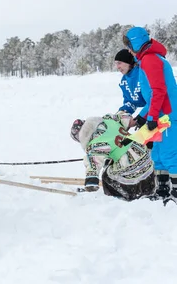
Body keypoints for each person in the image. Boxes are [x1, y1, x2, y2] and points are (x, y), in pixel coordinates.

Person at [124, 26, 177, 204]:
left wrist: (151, 117)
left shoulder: (151, 60)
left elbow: (159, 91)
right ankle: (162, 190)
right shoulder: (147, 59)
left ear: (137, 44)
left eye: (129, 45)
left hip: (167, 116)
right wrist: (142, 117)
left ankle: (175, 192)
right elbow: (151, 96)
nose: (129, 50)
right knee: (158, 155)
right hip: (159, 115)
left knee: (170, 155)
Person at [70, 113, 156, 201]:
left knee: (107, 174)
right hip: (145, 156)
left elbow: (93, 164)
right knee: (123, 163)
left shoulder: (94, 143)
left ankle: (120, 197)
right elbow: (126, 119)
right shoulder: (108, 120)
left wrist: (91, 182)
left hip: (131, 165)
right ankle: (148, 191)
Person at [114, 49, 145, 117]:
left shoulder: (143, 73)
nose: (118, 67)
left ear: (128, 62)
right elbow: (130, 102)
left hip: (161, 111)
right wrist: (122, 113)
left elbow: (154, 99)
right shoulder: (124, 81)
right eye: (116, 64)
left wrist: (142, 117)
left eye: (119, 63)